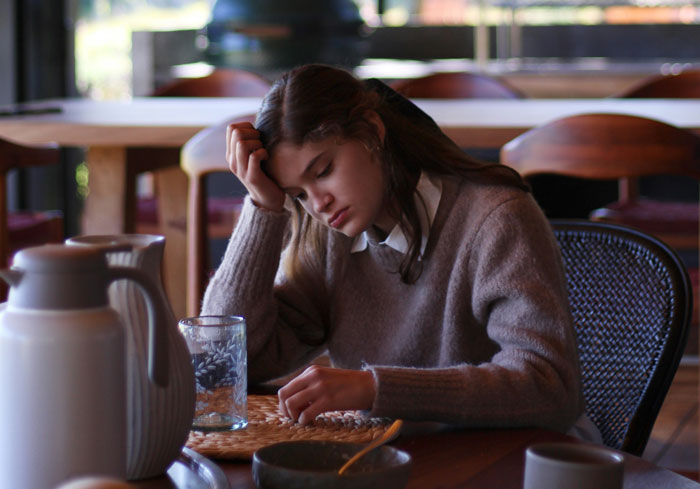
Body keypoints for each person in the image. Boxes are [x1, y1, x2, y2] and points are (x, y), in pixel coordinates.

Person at [202, 64, 594, 438]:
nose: (317, 204)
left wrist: (376, 388)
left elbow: (549, 389)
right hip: (394, 458)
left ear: (373, 132)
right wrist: (263, 207)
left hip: (509, 460)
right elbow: (225, 364)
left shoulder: (496, 219)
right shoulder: (329, 240)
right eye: (298, 195)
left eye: (323, 171)